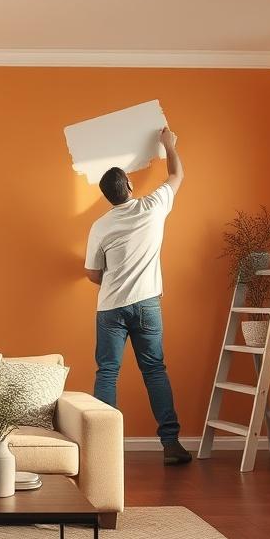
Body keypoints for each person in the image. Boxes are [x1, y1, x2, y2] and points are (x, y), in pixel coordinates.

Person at [83, 127, 191, 465]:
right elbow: (176, 175)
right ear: (129, 185)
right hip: (147, 304)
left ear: (107, 197)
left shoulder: (100, 226)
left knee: (107, 372)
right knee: (154, 370)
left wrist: (112, 279)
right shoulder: (152, 206)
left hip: (110, 308)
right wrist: (168, 145)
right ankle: (171, 444)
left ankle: (103, 450)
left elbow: (92, 273)